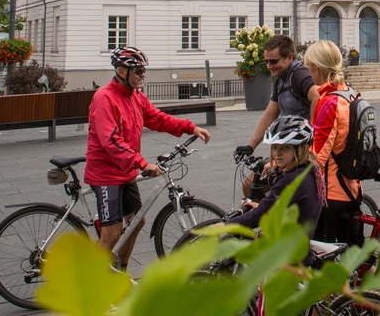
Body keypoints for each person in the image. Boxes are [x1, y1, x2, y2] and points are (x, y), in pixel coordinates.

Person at [85, 46, 212, 274]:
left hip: (125, 173)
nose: (142, 75)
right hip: (105, 173)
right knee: (113, 231)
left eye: (144, 71)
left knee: (137, 222)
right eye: (138, 71)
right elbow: (111, 141)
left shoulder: (135, 97)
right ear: (121, 71)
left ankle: (120, 273)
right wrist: (142, 163)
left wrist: (189, 127)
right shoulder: (104, 98)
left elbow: (156, 118)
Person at [234, 35, 319, 196]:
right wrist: (250, 146)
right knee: (251, 185)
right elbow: (270, 114)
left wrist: (312, 135)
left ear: (289, 58)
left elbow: (316, 97)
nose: (269, 66)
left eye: (273, 61)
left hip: (299, 152)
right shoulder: (281, 79)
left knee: (264, 188)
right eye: (266, 61)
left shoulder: (299, 74)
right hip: (286, 148)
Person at [303, 39, 363, 245]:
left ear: (316, 69)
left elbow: (318, 154)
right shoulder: (350, 94)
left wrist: (285, 167)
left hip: (331, 194)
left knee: (323, 263)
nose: (308, 74)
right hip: (352, 187)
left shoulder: (329, 102)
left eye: (308, 68)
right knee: (355, 260)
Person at [227, 116, 322, 233]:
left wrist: (225, 225)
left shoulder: (290, 180)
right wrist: (262, 207)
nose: (277, 153)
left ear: (300, 149)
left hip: (287, 248)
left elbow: (260, 215)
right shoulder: (308, 169)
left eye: (285, 147)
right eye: (275, 147)